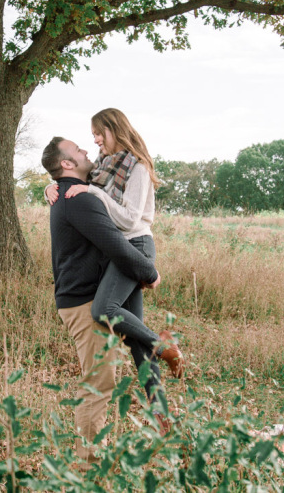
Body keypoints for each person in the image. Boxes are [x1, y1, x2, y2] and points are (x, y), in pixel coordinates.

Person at [41, 136, 168, 460]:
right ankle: (88, 465)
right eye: (78, 150)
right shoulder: (77, 199)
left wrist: (51, 184)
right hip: (84, 303)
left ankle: (163, 419)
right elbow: (115, 243)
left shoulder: (75, 192)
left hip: (93, 290)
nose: (86, 150)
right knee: (99, 385)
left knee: (135, 349)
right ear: (67, 163)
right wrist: (149, 272)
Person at [45, 109, 184, 389]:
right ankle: (160, 413)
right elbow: (76, 177)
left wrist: (93, 193)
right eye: (93, 133)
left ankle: (164, 345)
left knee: (105, 310)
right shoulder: (105, 164)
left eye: (99, 132)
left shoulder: (138, 167)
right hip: (118, 249)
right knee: (135, 341)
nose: (94, 139)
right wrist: (51, 185)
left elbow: (130, 219)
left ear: (114, 129)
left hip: (135, 244)